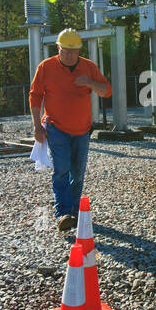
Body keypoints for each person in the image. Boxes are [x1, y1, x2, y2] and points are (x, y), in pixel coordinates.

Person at [29, 28, 112, 232]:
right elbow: (35, 96)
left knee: (78, 172)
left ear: (79, 51)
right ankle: (63, 213)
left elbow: (106, 92)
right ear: (58, 48)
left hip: (82, 130)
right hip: (56, 127)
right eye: (65, 50)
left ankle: (74, 211)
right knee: (62, 169)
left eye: (73, 51)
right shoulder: (46, 67)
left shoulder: (89, 67)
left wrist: (89, 83)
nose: (69, 55)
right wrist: (37, 126)